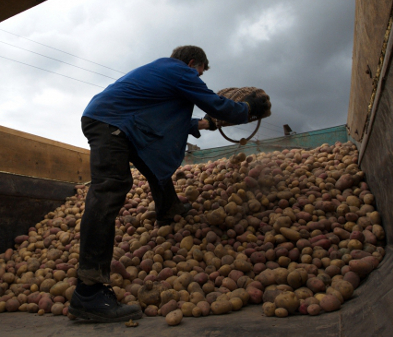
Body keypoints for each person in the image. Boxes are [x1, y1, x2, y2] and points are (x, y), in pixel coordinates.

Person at [68, 45, 270, 322]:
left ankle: (168, 208)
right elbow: (215, 103)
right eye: (199, 73)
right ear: (192, 63)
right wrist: (246, 109)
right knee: (109, 190)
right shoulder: (178, 72)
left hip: (121, 123)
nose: (198, 78)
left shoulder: (162, 74)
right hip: (110, 123)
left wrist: (208, 124)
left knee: (152, 162)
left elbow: (170, 120)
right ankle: (88, 292)